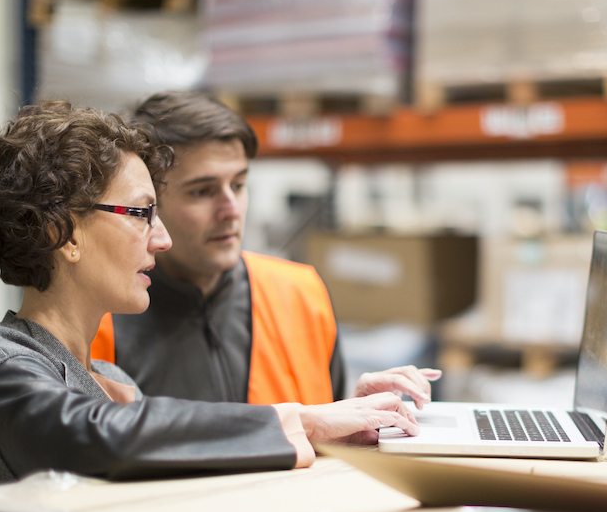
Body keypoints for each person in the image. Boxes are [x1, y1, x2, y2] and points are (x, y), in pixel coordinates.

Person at [0, 102, 418, 494]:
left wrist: (340, 431)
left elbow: (183, 471)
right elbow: (103, 437)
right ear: (63, 233)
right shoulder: (0, 367)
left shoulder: (109, 378)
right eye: (142, 213)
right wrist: (304, 421)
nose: (162, 239)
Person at [90, 91, 439, 408]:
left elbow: (323, 442)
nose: (231, 209)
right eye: (202, 191)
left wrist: (353, 411)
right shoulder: (100, 322)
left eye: (239, 185)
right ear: (150, 203)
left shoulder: (299, 295)